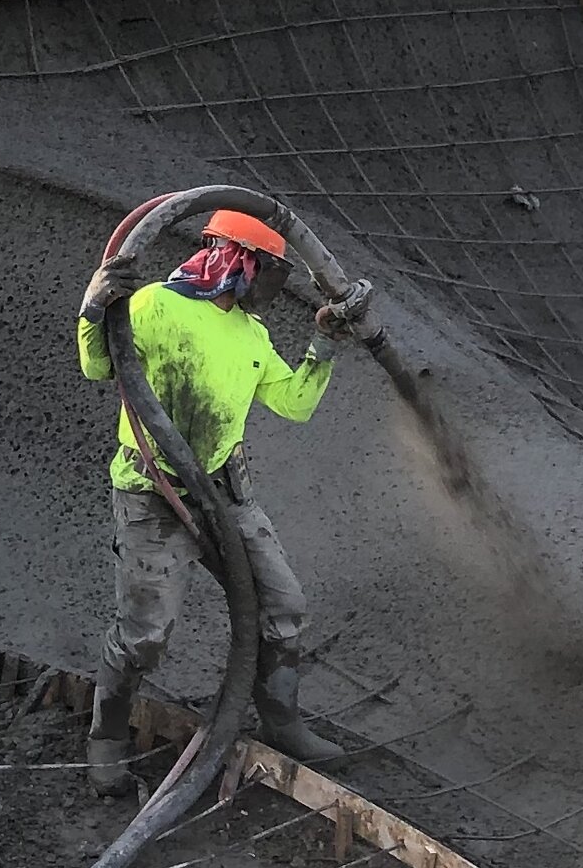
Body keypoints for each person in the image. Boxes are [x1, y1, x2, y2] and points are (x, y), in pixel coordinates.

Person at [76, 211, 374, 795]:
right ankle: (106, 742)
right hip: (153, 495)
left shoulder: (251, 334)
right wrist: (93, 310)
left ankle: (281, 721)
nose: (270, 285)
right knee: (145, 634)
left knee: (283, 604)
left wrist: (324, 342)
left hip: (224, 494)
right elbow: (97, 366)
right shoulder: (154, 306)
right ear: (238, 259)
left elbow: (294, 404)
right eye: (266, 270)